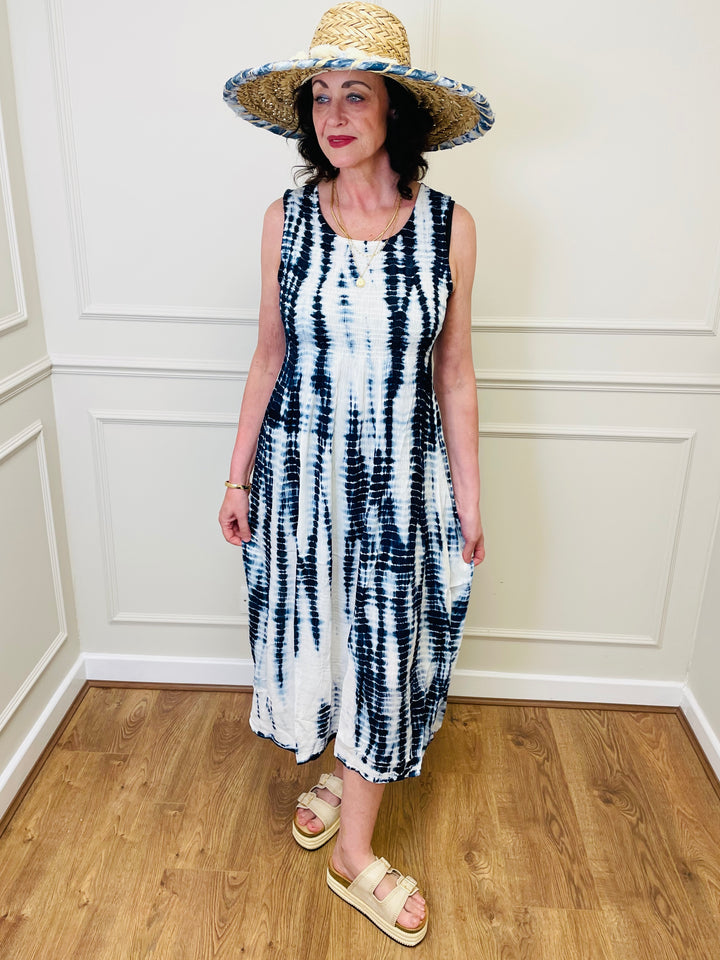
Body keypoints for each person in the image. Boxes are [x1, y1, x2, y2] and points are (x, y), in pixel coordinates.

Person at [219, 2, 493, 946]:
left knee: (383, 651)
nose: (334, 116)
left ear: (395, 111)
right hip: (301, 481)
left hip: (402, 487)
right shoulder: (286, 219)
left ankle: (353, 854)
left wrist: (470, 497)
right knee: (325, 640)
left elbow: (454, 373)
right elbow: (268, 356)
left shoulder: (449, 228)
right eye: (321, 96)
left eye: (357, 95)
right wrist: (237, 478)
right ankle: (345, 776)